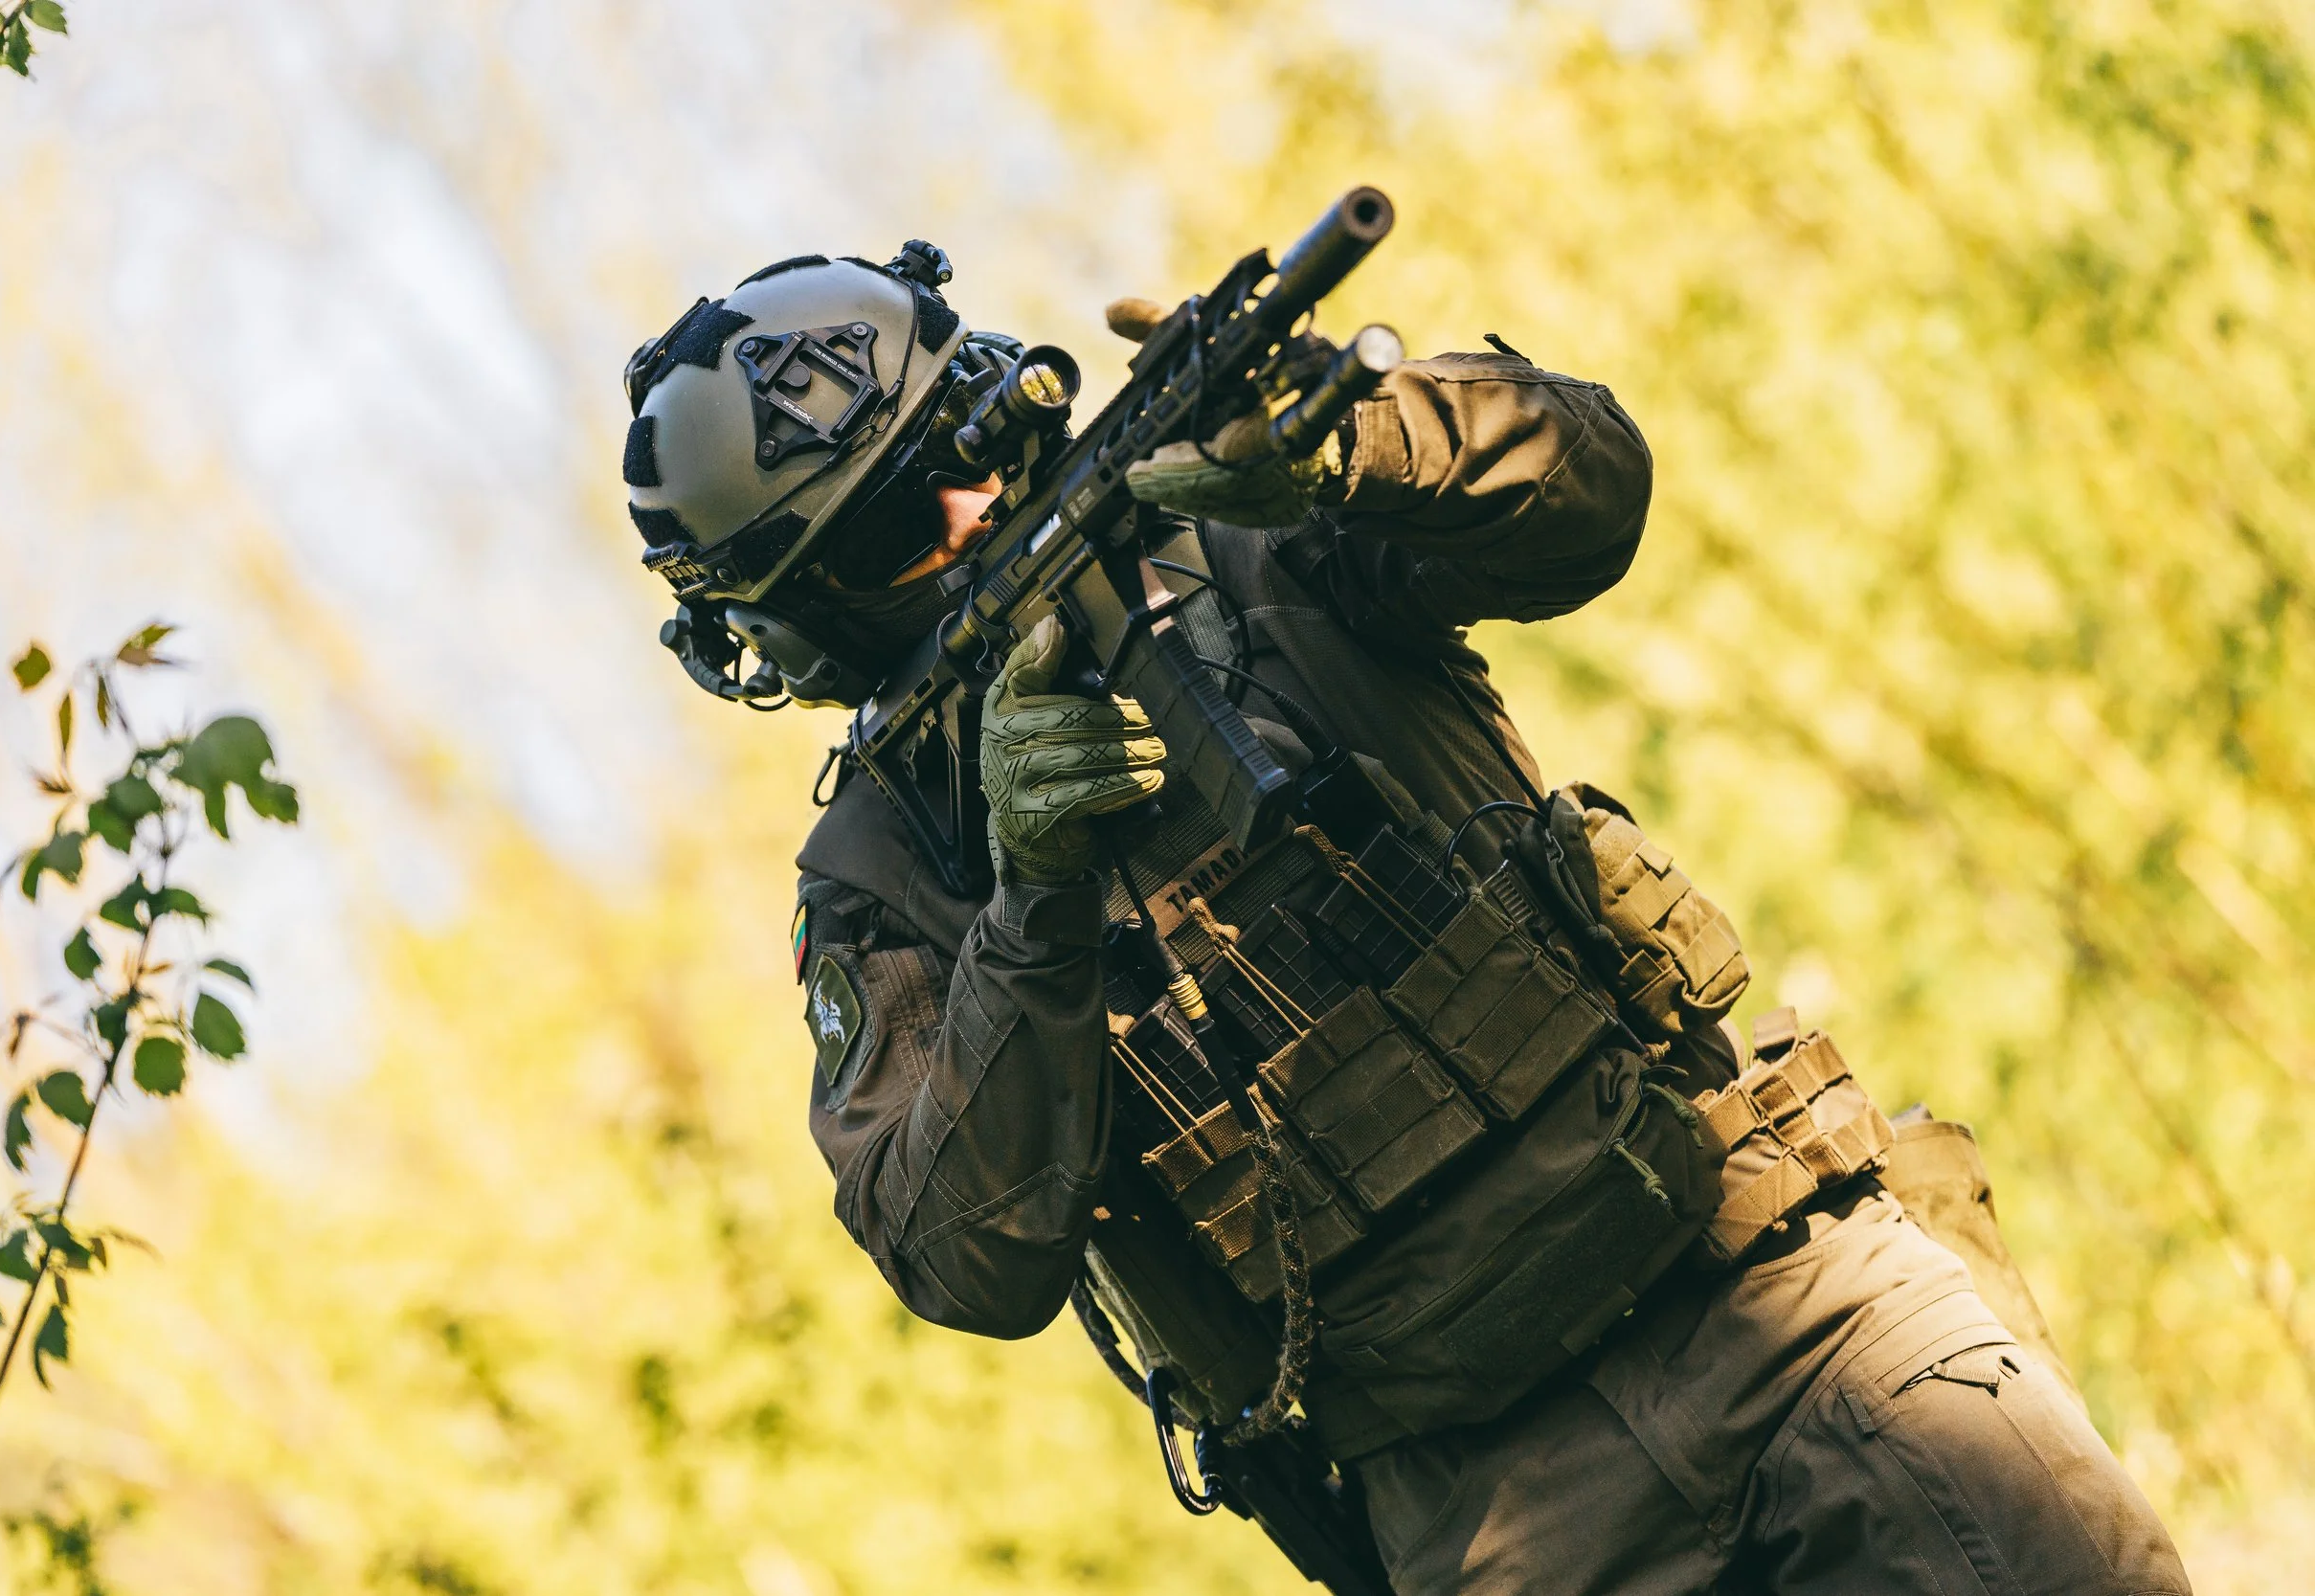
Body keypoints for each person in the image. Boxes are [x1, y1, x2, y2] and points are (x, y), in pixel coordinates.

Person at [618, 240, 2191, 1595]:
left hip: (1784, 1298)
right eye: (908, 528)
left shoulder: (1237, 519)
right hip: (1497, 1511)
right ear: (811, 621)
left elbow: (1589, 486)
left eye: (981, 442)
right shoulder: (892, 869)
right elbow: (965, 1257)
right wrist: (1030, 900)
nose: (975, 509)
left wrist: (1343, 440)